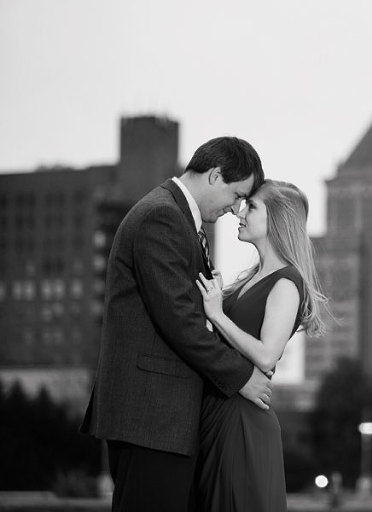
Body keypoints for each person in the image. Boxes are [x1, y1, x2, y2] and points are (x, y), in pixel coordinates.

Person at [80, 137, 274, 512]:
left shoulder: (175, 216)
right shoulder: (161, 216)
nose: (237, 209)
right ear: (216, 175)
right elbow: (180, 321)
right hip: (151, 417)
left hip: (160, 418)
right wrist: (242, 377)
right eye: (237, 195)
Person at [195, 179, 328, 511]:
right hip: (220, 413)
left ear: (277, 220)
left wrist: (217, 314)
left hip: (243, 423)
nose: (240, 212)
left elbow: (267, 356)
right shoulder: (250, 277)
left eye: (251, 206)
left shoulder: (286, 282)